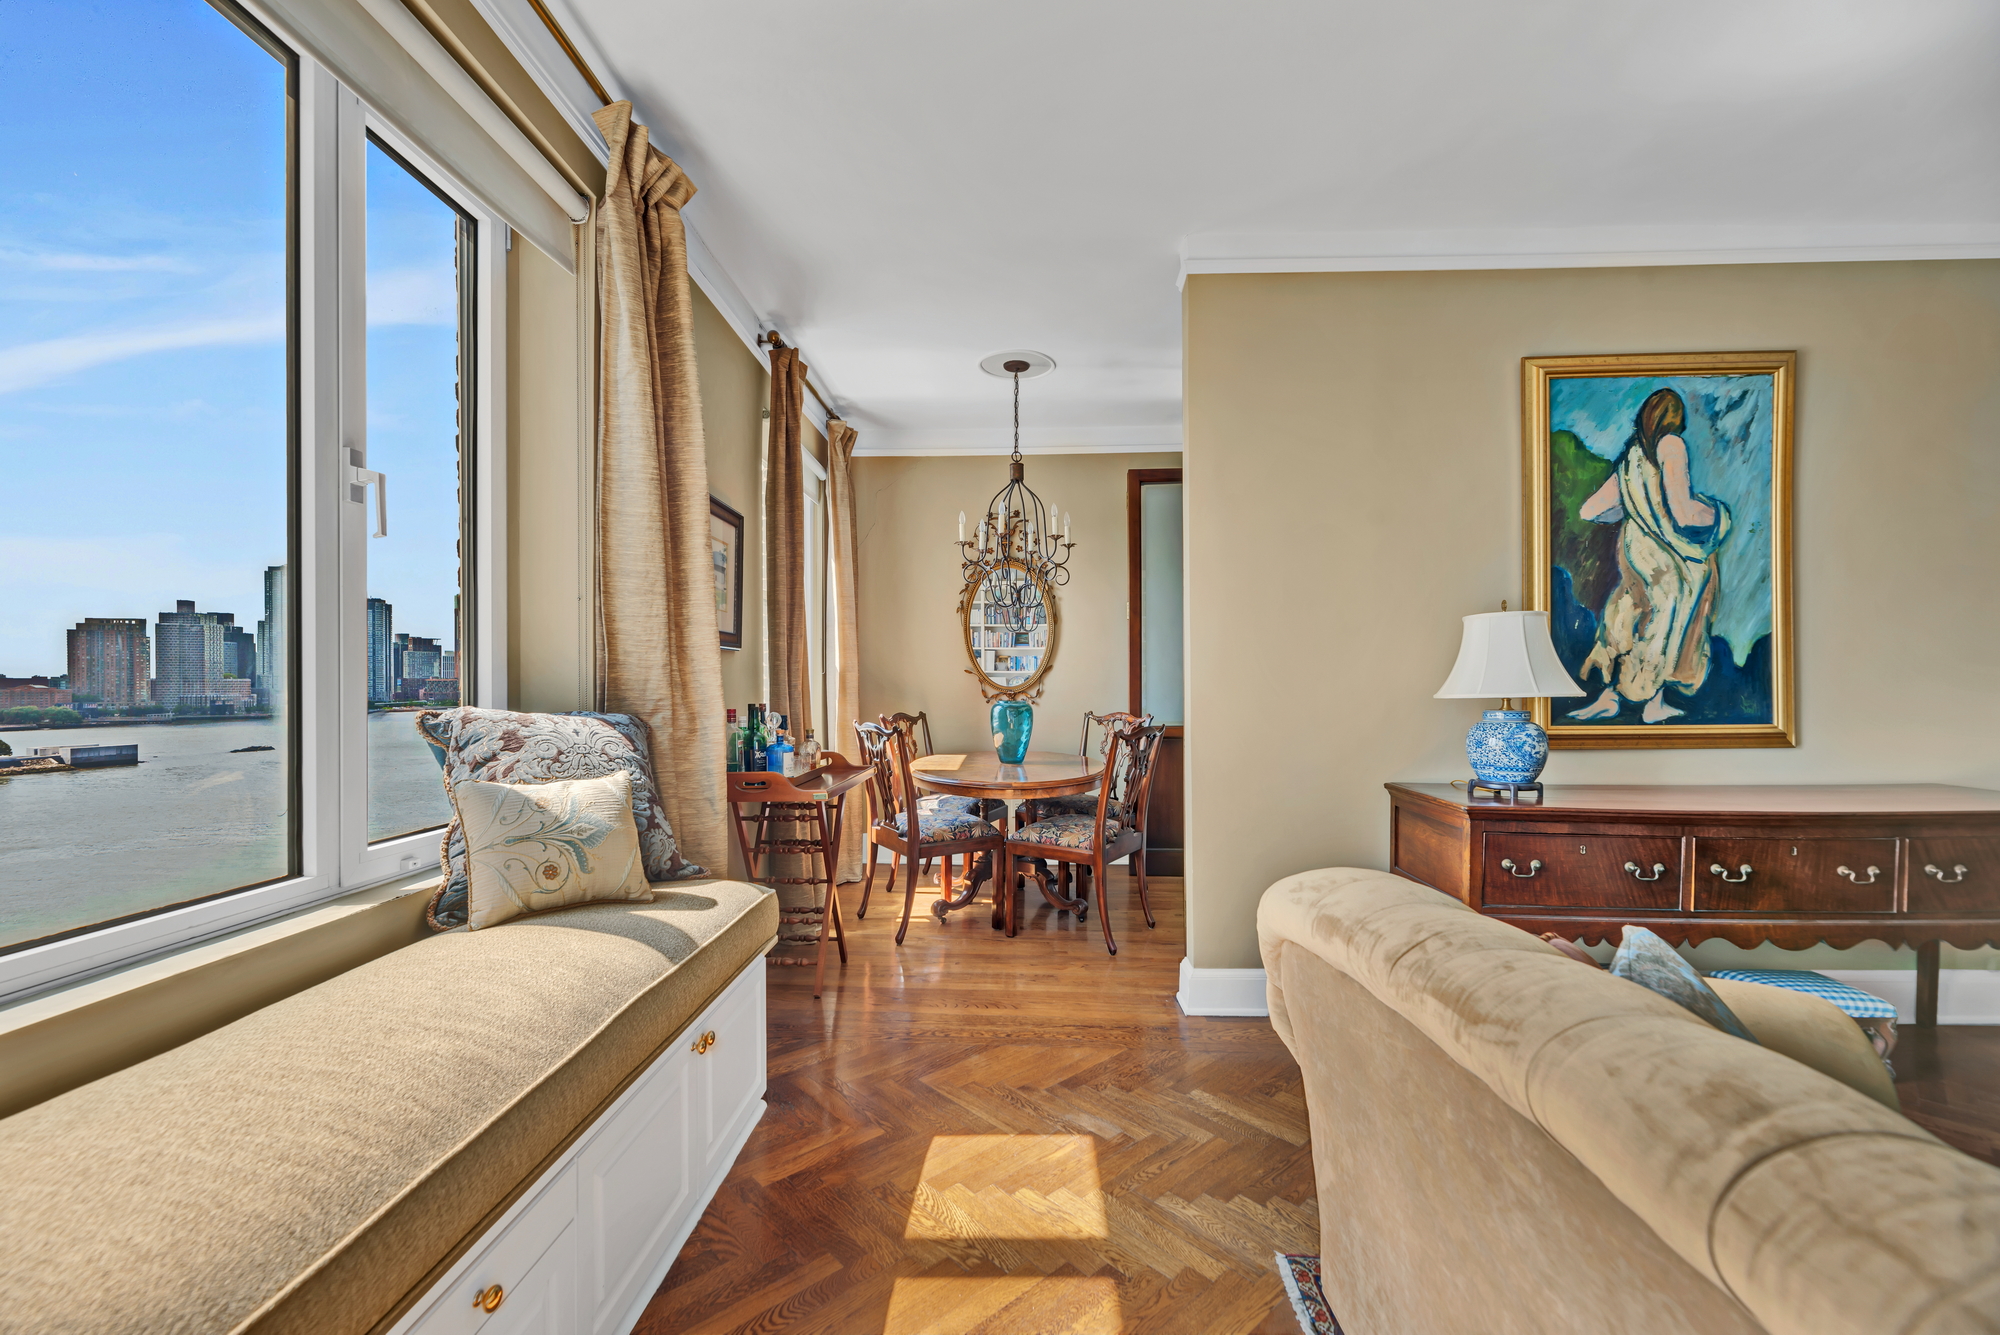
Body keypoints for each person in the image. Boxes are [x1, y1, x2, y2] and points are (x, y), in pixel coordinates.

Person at [1568, 387, 1731, 723]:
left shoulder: (1632, 457)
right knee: (1667, 622)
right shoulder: (1671, 446)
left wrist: (1636, 508)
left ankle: (1610, 696)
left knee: (1629, 613)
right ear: (1675, 418)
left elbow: (1591, 510)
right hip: (1670, 556)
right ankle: (1651, 702)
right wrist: (1719, 514)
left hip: (1634, 552)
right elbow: (1684, 513)